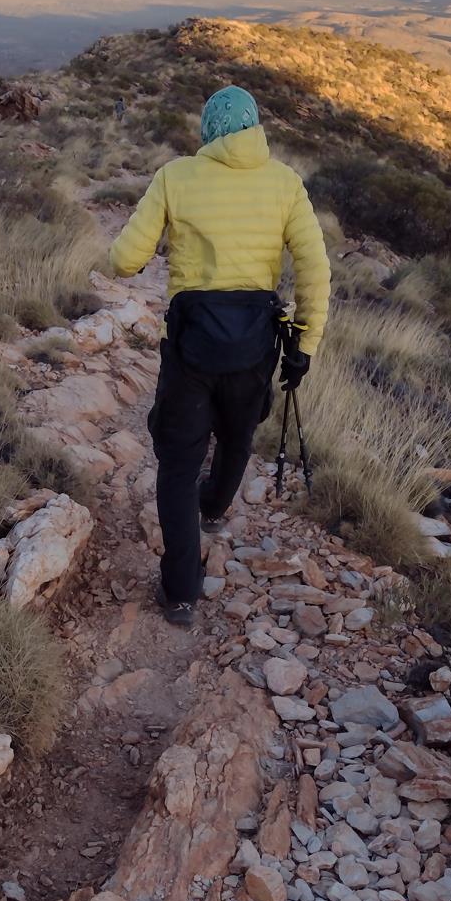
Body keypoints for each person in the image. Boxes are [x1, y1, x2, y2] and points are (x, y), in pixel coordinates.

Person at [108, 85, 331, 626]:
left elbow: (124, 260)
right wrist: (303, 345)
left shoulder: (175, 177)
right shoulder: (284, 184)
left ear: (207, 131)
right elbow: (315, 270)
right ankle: (214, 509)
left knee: (178, 465)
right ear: (256, 129)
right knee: (237, 435)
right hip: (256, 344)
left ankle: (183, 592)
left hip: (191, 346)